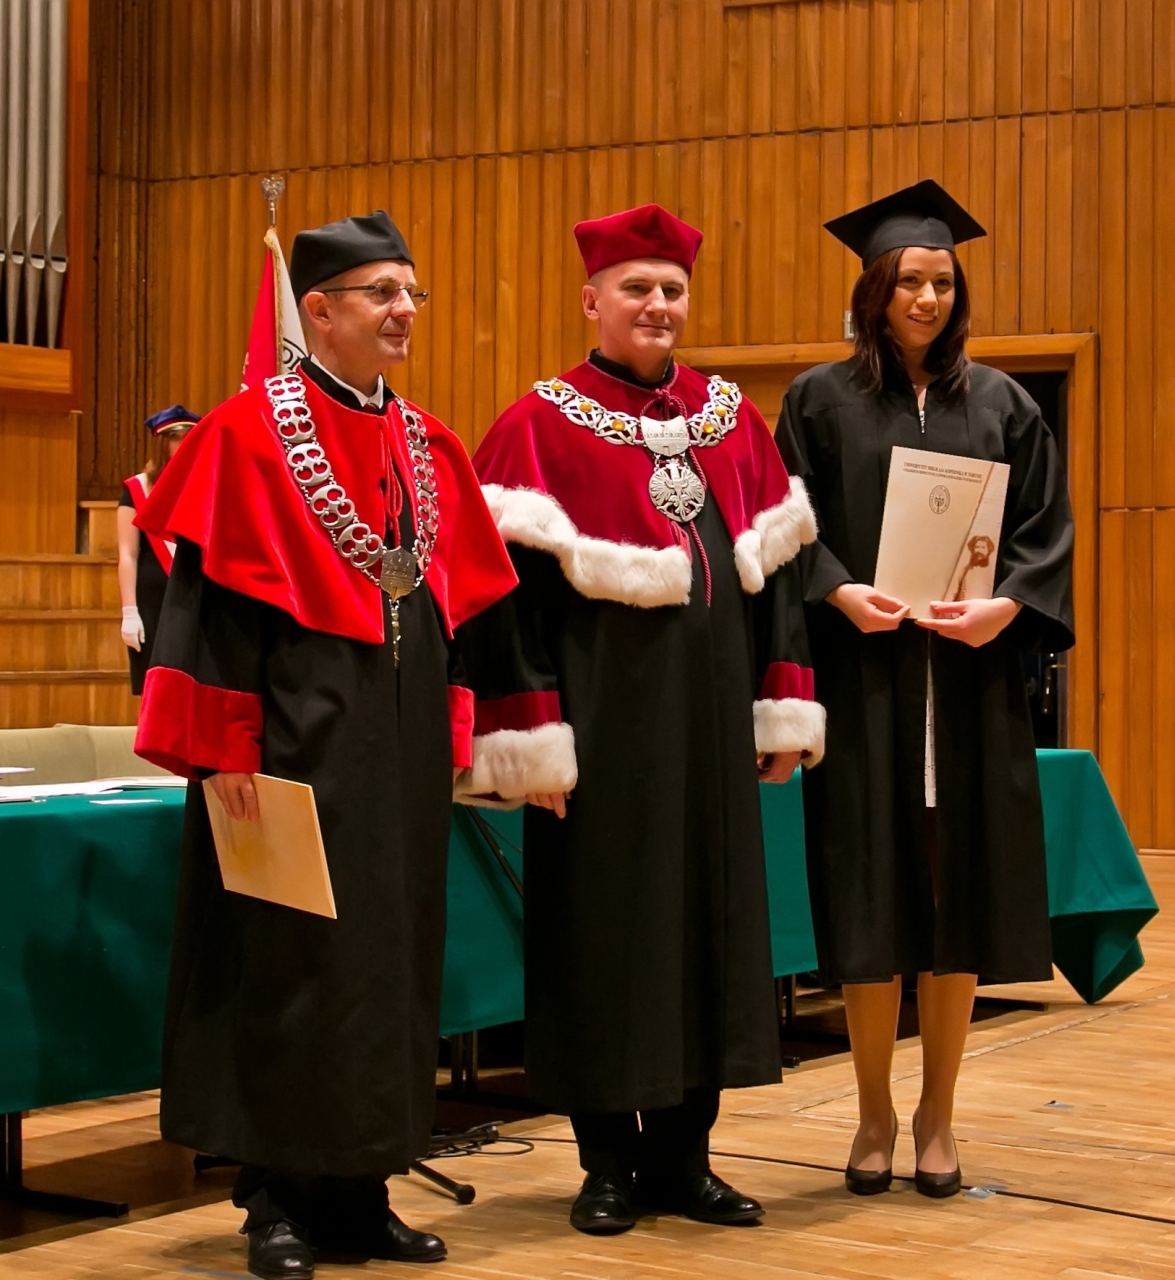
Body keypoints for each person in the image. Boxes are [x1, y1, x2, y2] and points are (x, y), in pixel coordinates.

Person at [131, 210, 517, 1279]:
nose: (404, 311)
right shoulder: (244, 436)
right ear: (318, 310)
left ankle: (360, 1190)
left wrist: (450, 732)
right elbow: (207, 613)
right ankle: (275, 1201)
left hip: (396, 750)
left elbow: (452, 611)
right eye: (382, 292)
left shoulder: (428, 443)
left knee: (390, 964)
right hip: (287, 744)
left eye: (411, 293)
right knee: (286, 966)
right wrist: (226, 751)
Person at [456, 205, 824, 1236]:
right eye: (637, 289)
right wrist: (532, 739)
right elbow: (500, 606)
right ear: (592, 300)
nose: (658, 305)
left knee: (707, 933)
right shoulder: (536, 426)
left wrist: (781, 707)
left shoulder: (732, 419)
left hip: (711, 735)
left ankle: (684, 1160)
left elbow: (779, 580)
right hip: (602, 739)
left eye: (672, 289)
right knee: (604, 940)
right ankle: (607, 1164)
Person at [774, 179, 1074, 1199]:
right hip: (866, 680)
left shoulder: (1002, 403)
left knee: (958, 905)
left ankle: (938, 1116)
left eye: (943, 281)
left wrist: (1009, 607)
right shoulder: (819, 401)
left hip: (970, 686)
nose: (928, 297)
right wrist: (836, 590)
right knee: (870, 902)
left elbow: (1044, 532)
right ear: (876, 289)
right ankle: (872, 1113)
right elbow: (788, 525)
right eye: (910, 280)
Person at [117, 404, 198, 693]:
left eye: (190, 436)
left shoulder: (203, 484)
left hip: (191, 596)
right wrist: (129, 611)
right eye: (176, 437)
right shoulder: (137, 489)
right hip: (153, 601)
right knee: (155, 690)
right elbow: (128, 554)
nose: (183, 443)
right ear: (162, 443)